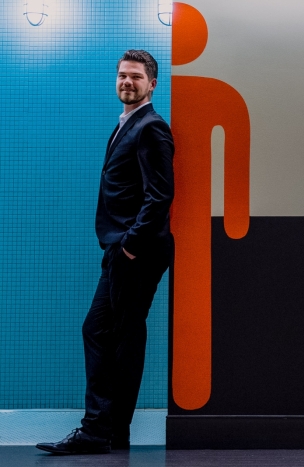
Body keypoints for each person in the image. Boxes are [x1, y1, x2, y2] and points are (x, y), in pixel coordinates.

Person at [36, 50, 175, 455]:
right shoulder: (126, 125)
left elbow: (160, 194)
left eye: (135, 77)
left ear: (152, 84)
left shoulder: (150, 128)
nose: (126, 82)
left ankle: (100, 430)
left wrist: (130, 244)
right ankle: (110, 431)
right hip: (124, 249)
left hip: (136, 250)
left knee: (118, 336)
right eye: (121, 76)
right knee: (108, 334)